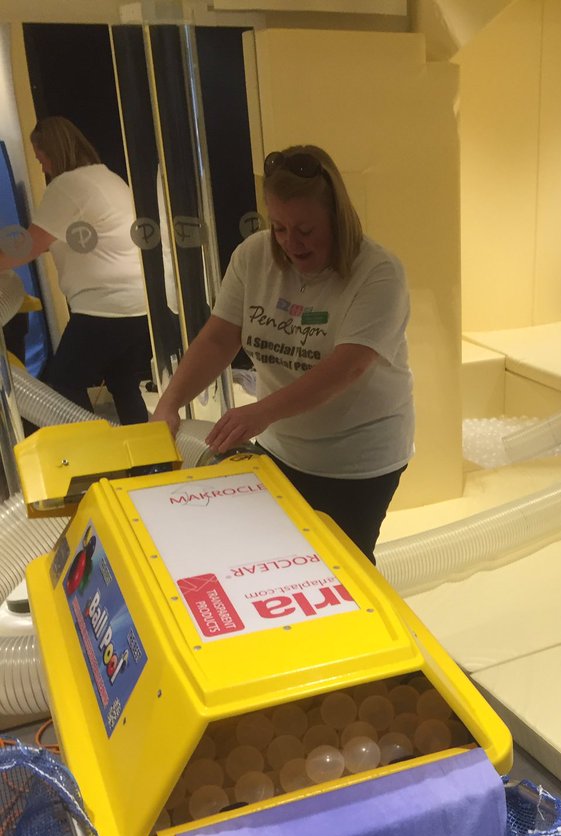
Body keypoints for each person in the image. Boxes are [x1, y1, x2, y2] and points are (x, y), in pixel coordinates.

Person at [152, 144, 414, 564]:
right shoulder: (253, 257)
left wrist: (260, 412)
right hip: (280, 448)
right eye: (279, 228)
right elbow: (219, 339)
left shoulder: (379, 273)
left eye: (306, 230)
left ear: (337, 218)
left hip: (356, 460)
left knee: (341, 568)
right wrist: (169, 404)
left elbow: (346, 368)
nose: (292, 242)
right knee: (278, 559)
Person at [0, 117, 151, 424]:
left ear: (54, 151)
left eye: (41, 158)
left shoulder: (67, 186)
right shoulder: (108, 178)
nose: (43, 167)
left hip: (103, 309)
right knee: (124, 385)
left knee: (64, 384)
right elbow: (63, 238)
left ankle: (94, 447)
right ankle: (146, 452)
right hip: (137, 307)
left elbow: (30, 245)